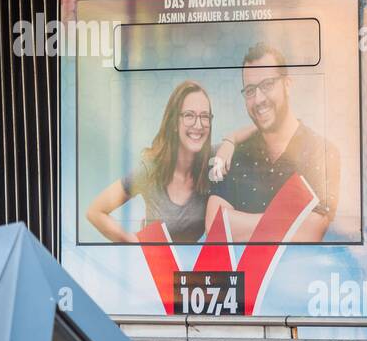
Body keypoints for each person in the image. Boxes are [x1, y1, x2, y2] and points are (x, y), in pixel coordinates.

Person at [204, 42, 340, 242]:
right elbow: (215, 226)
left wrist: (241, 225)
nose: (258, 99)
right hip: (244, 274)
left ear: (287, 85)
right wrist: (289, 224)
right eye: (250, 90)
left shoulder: (322, 151)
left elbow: (311, 232)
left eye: (267, 85)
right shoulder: (235, 154)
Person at [86, 80, 215, 244]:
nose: (199, 124)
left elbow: (254, 132)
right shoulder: (151, 170)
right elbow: (96, 212)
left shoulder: (213, 164)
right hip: (155, 267)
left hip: (192, 268)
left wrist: (230, 143)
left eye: (205, 116)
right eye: (189, 115)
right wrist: (135, 243)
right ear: (174, 122)